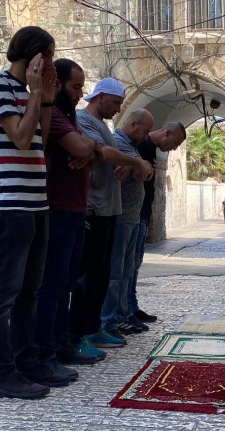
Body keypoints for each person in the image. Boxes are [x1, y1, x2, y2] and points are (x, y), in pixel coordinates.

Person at [0, 26, 57, 400]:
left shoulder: (27, 93)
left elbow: (39, 140)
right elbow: (21, 138)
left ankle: (26, 363)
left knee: (30, 293)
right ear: (34, 56)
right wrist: (36, 92)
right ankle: (2, 374)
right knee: (4, 294)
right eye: (50, 57)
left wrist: (45, 99)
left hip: (36, 205)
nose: (52, 65)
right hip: (10, 207)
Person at [70, 80, 152, 358]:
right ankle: (78, 332)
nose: (118, 110)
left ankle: (94, 328)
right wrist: (134, 162)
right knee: (87, 277)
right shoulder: (83, 120)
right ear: (101, 97)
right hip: (93, 207)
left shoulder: (102, 125)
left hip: (109, 209)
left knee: (101, 275)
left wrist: (120, 165)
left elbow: (108, 157)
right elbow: (103, 153)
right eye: (116, 103)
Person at [33, 58, 102, 380]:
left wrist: (91, 151)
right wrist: (89, 148)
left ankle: (61, 344)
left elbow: (90, 157)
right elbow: (80, 147)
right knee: (53, 286)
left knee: (66, 283)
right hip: (58, 210)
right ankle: (46, 352)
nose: (80, 93)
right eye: (76, 86)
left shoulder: (69, 116)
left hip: (73, 211)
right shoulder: (57, 115)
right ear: (57, 84)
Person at [100, 109, 154, 339]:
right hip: (121, 217)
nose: (147, 135)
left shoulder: (132, 146)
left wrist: (141, 167)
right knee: (115, 273)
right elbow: (134, 166)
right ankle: (109, 321)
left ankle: (121, 315)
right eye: (146, 130)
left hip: (131, 217)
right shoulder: (118, 142)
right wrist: (137, 166)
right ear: (133, 124)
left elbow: (147, 168)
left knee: (126, 271)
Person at [128, 121, 187, 329]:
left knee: (135, 265)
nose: (175, 148)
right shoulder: (141, 146)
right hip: (134, 213)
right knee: (127, 266)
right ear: (167, 132)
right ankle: (126, 311)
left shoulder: (151, 149)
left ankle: (132, 306)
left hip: (143, 214)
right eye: (176, 142)